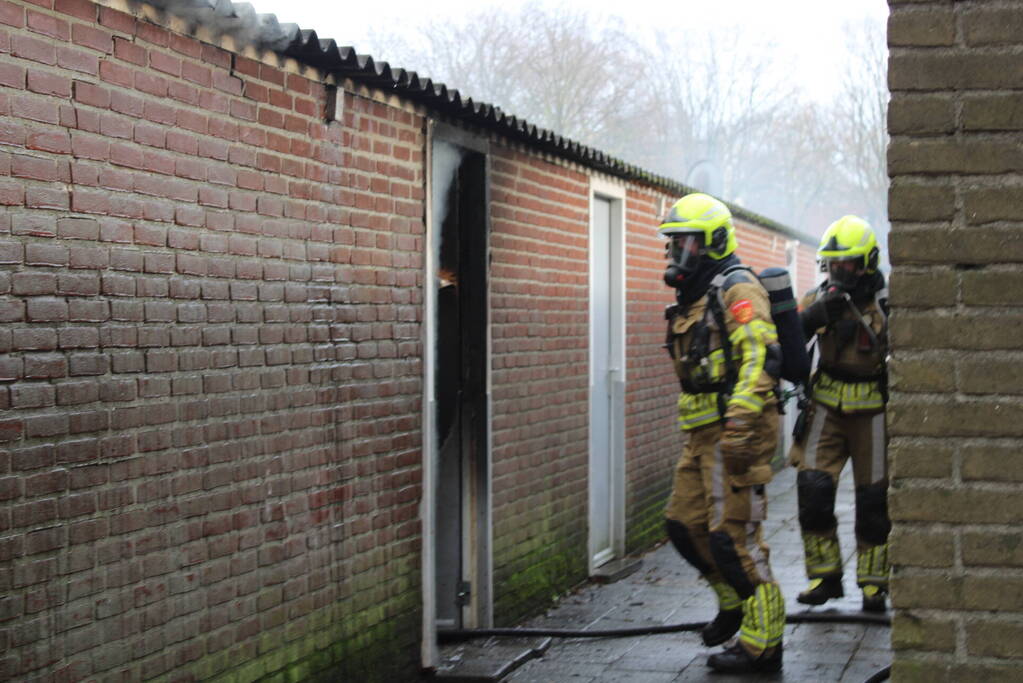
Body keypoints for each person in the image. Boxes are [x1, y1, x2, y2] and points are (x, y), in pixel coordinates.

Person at [660, 193, 785, 674]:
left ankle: (764, 642)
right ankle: (734, 603)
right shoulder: (694, 294)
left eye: (685, 244)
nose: (676, 254)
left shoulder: (736, 289)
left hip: (737, 431)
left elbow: (761, 356)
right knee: (683, 525)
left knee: (735, 537)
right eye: (673, 245)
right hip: (700, 434)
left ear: (712, 242)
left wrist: (738, 420)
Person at [789, 215, 890, 612]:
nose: (839, 272)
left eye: (847, 264)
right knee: (812, 489)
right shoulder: (816, 299)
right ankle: (825, 578)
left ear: (866, 263)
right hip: (826, 407)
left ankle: (874, 584)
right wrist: (811, 319)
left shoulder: (886, 302)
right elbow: (789, 344)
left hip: (874, 413)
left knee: (874, 501)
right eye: (833, 264)